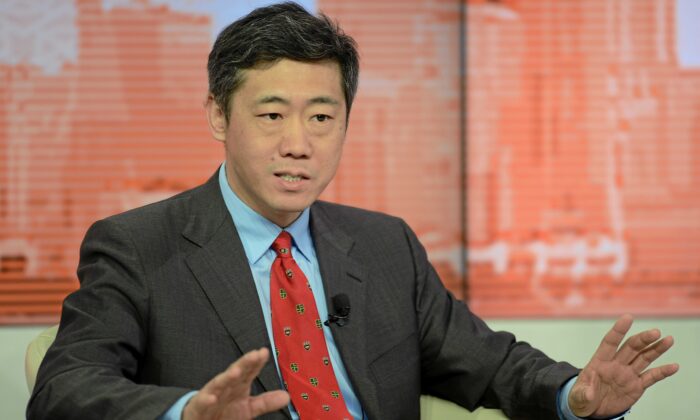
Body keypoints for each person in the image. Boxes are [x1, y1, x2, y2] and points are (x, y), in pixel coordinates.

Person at [27, 2, 678, 419]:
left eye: (321, 117)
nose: (298, 144)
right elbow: (64, 388)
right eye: (272, 115)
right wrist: (184, 412)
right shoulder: (138, 245)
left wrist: (574, 396)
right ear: (219, 117)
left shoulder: (385, 244)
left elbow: (491, 362)